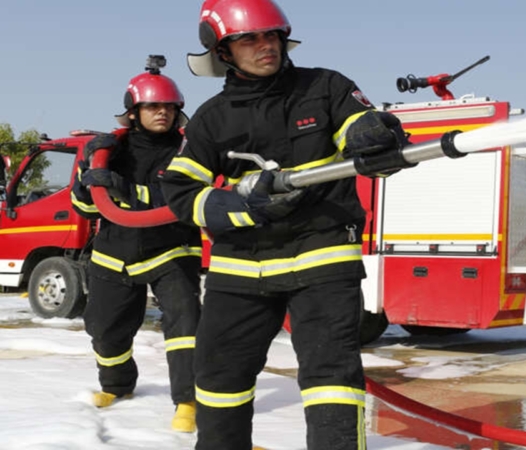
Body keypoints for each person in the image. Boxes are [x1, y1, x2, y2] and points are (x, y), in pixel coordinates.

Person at [160, 0, 411, 448]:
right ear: (222, 51)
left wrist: (374, 136)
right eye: (249, 39)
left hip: (322, 256)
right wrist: (242, 207)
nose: (266, 46)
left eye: (272, 35)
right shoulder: (212, 118)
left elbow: (364, 131)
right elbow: (181, 191)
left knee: (331, 379)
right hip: (241, 267)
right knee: (218, 376)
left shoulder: (326, 87)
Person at [70, 60, 202, 433]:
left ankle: (188, 401)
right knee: (103, 327)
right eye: (153, 106)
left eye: (169, 107)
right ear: (133, 111)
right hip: (115, 252)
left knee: (185, 324)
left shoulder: (189, 150)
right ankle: (117, 386)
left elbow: (180, 200)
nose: (163, 112)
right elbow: (85, 208)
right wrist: (87, 176)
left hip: (172, 248)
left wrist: (124, 190)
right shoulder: (110, 150)